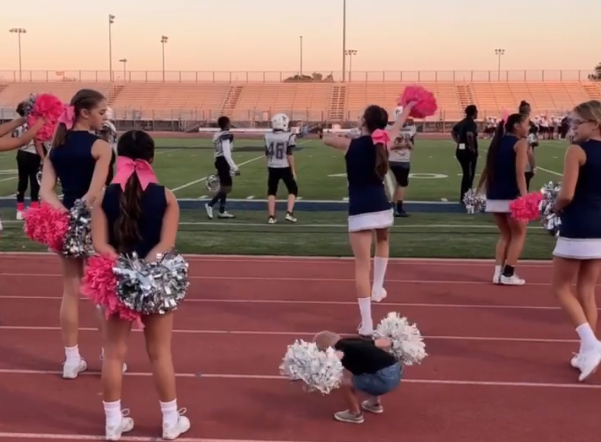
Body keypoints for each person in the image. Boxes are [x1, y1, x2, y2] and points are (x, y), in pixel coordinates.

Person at [91, 130, 190, 440]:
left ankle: (112, 424)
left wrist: (124, 270)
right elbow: (166, 244)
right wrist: (145, 270)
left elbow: (99, 245)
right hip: (155, 283)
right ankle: (170, 422)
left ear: (119, 157)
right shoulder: (166, 196)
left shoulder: (104, 197)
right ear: (152, 157)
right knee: (160, 353)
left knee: (114, 353)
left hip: (116, 283)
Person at [38, 88, 115, 379]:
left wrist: (65, 216)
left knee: (70, 291)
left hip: (64, 223)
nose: (104, 116)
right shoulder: (101, 147)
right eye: (101, 111)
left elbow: (46, 191)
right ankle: (110, 357)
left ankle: (71, 360)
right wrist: (81, 217)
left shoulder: (56, 147)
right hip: (96, 223)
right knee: (100, 294)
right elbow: (95, 192)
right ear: (85, 113)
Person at [323, 103, 414, 335]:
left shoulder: (350, 144)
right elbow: (399, 123)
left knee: (361, 266)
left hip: (359, 208)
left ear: (364, 121)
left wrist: (352, 132)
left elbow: (326, 138)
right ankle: (378, 288)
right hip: (381, 204)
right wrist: (409, 106)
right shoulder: (383, 142)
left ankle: (367, 323)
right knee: (383, 242)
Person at [550, 100, 601, 382]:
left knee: (559, 287)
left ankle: (592, 344)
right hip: (600, 226)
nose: (573, 127)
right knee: (587, 289)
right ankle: (587, 351)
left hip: (578, 224)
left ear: (594, 123)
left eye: (577, 122)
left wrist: (554, 207)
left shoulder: (576, 151)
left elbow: (567, 194)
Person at [476, 114, 529, 285]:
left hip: (494, 195)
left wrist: (478, 189)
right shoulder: (520, 143)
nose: (529, 127)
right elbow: (520, 173)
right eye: (526, 124)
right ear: (516, 126)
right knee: (519, 235)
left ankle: (497, 273)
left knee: (505, 235)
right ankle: (508, 274)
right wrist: (525, 196)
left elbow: (486, 169)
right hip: (512, 195)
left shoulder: (496, 143)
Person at [314, 331, 401, 424]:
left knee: (344, 384)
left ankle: (354, 414)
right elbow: (383, 343)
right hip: (397, 371)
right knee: (368, 369)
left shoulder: (339, 349)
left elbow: (335, 358)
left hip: (383, 380)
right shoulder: (354, 341)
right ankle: (374, 403)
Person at [13, 102, 46, 220]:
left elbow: (14, 138)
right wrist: (43, 157)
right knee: (34, 182)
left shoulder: (16, 123)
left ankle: (19, 210)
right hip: (32, 154)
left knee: (22, 181)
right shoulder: (33, 123)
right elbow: (37, 141)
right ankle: (34, 209)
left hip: (21, 153)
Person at [265, 113, 298, 224]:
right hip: (284, 166)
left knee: (271, 191)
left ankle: (271, 216)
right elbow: (289, 154)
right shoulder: (289, 135)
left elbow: (267, 153)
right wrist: (293, 170)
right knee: (293, 189)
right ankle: (289, 213)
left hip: (272, 166)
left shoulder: (267, 136)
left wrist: (269, 165)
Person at [205, 116, 237, 219]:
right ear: (227, 124)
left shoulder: (217, 134)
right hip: (223, 161)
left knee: (224, 187)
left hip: (219, 160)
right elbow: (227, 153)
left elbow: (217, 151)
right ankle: (210, 204)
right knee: (227, 188)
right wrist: (234, 167)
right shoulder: (225, 135)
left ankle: (222, 211)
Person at [388, 109, 416, 217]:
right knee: (403, 184)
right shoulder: (391, 129)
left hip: (400, 159)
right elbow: (389, 145)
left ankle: (393, 205)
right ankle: (399, 209)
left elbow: (412, 147)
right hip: (398, 160)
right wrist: (403, 145)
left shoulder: (409, 128)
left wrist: (408, 144)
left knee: (399, 184)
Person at [452, 105, 479, 204]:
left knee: (466, 173)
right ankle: (466, 197)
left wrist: (458, 142)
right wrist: (472, 147)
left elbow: (453, 131)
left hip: (460, 149)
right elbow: (470, 134)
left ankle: (464, 196)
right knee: (469, 174)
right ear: (474, 113)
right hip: (468, 151)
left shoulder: (462, 122)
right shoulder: (471, 123)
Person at [519, 101, 538, 191]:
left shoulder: (513, 122)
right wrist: (533, 165)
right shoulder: (529, 125)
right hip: (525, 161)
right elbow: (532, 145)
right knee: (524, 188)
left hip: (514, 161)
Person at [97, 106, 118, 186]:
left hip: (107, 150)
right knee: (109, 171)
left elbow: (104, 134)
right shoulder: (111, 125)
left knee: (104, 171)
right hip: (111, 149)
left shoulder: (106, 125)